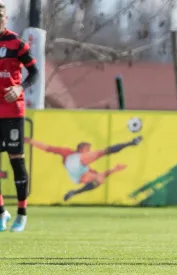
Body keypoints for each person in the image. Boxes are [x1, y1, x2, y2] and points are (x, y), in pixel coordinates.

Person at [0, 1, 40, 232]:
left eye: (0, 15)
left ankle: (22, 214)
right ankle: (2, 212)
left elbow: (34, 72)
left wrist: (20, 88)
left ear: (5, 18)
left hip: (13, 110)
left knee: (16, 161)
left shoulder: (17, 43)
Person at [24, 136, 142, 201]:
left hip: (77, 176)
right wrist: (31, 141)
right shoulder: (69, 153)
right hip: (74, 163)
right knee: (101, 152)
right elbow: (48, 148)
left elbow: (102, 174)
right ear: (82, 148)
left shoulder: (86, 168)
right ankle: (130, 143)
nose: (89, 150)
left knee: (99, 179)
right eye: (88, 148)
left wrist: (114, 169)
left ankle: (74, 193)